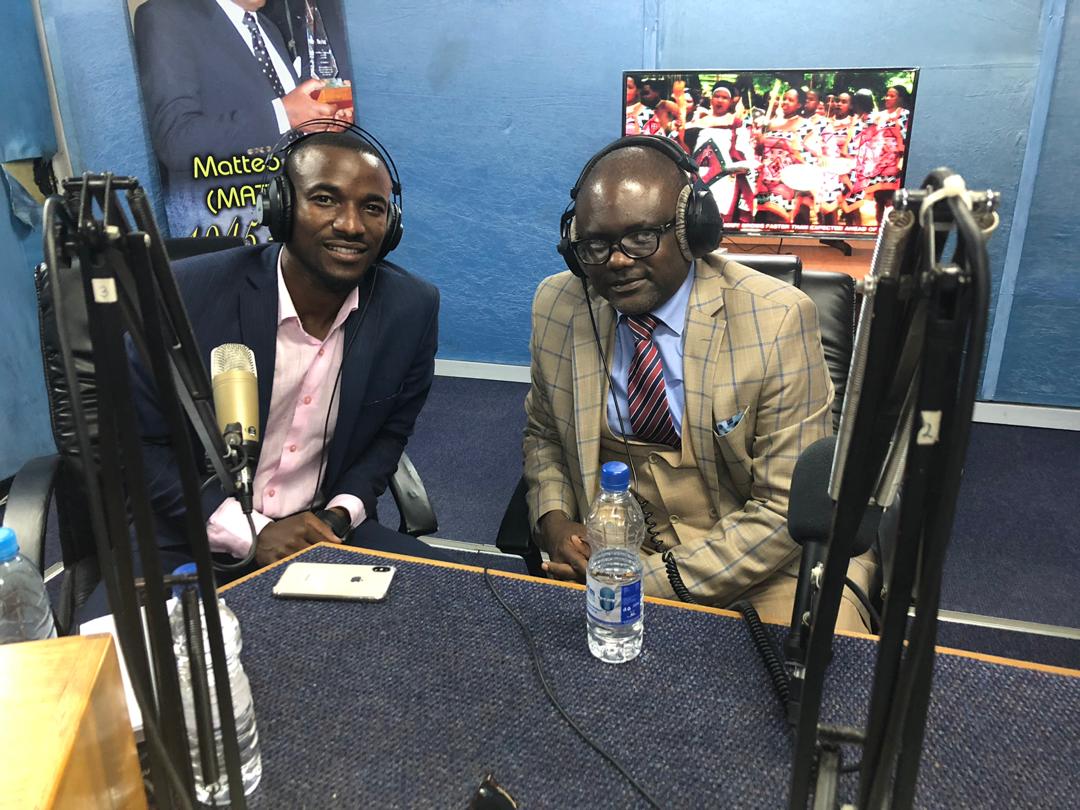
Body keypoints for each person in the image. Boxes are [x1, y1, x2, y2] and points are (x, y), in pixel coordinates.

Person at [524, 137, 873, 630]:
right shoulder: (558, 305)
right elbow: (545, 436)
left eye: (642, 237)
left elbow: (782, 511)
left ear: (692, 231)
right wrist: (555, 523)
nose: (617, 261)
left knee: (812, 661)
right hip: (616, 547)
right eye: (596, 245)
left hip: (766, 563)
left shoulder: (777, 319)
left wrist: (645, 582)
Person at [133, 0, 337, 231]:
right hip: (222, 227)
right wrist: (283, 114)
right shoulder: (165, 15)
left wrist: (316, 123)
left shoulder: (267, 27)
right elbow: (175, 140)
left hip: (285, 219)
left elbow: (281, 126)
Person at [683, 81, 757, 223]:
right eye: (717, 96)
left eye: (724, 97)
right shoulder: (698, 122)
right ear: (711, 99)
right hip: (698, 177)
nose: (720, 100)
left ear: (731, 101)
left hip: (724, 179)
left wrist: (740, 165)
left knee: (720, 218)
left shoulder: (736, 123)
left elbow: (744, 152)